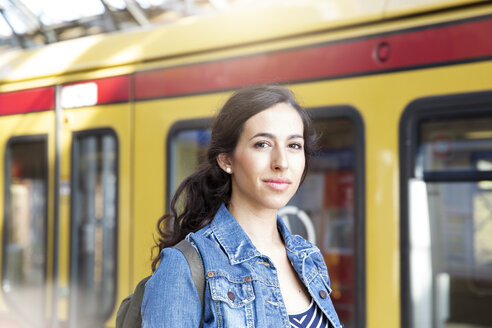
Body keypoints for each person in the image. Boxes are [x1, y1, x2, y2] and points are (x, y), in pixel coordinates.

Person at [142, 85, 342, 328]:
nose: (282, 162)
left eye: (294, 146)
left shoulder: (307, 258)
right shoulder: (184, 266)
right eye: (262, 144)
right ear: (226, 159)